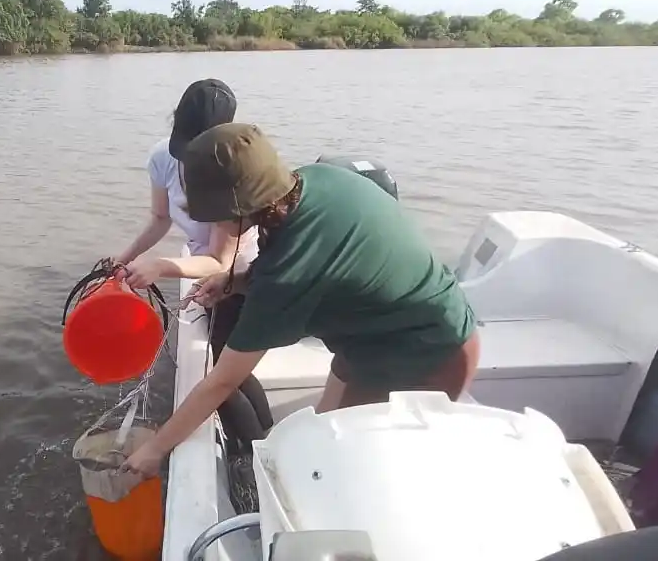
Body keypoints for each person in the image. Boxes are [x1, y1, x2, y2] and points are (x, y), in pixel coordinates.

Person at [122, 123, 480, 477]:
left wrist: (156, 449)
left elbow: (222, 381)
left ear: (242, 207)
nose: (213, 224)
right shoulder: (316, 179)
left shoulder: (287, 274)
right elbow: (309, 255)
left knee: (355, 469)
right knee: (321, 441)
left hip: (429, 356)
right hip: (373, 341)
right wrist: (238, 282)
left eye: (214, 214)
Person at [109, 79, 273, 455]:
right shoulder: (161, 158)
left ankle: (254, 457)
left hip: (240, 276)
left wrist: (162, 266)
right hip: (201, 270)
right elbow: (159, 218)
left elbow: (220, 260)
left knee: (220, 379)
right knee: (229, 373)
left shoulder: (229, 172)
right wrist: (126, 258)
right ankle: (263, 446)